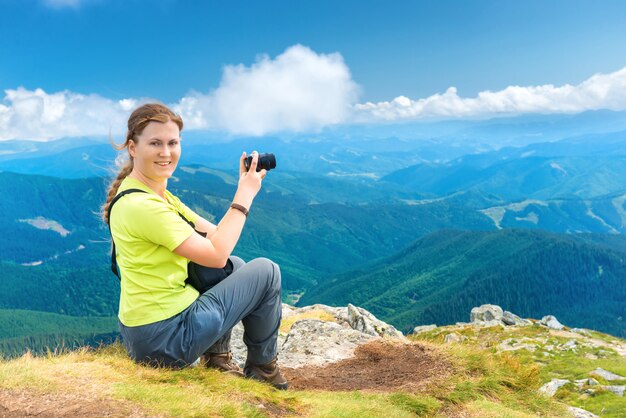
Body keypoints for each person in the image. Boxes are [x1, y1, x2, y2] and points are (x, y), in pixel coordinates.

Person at [101, 103, 288, 389]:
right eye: (155, 143)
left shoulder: (153, 194)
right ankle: (263, 371)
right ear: (133, 148)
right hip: (165, 339)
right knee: (267, 271)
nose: (166, 152)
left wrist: (242, 185)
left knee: (234, 267)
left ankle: (218, 360)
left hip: (151, 333)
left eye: (172, 142)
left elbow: (214, 237)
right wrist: (245, 194)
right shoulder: (144, 206)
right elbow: (216, 254)